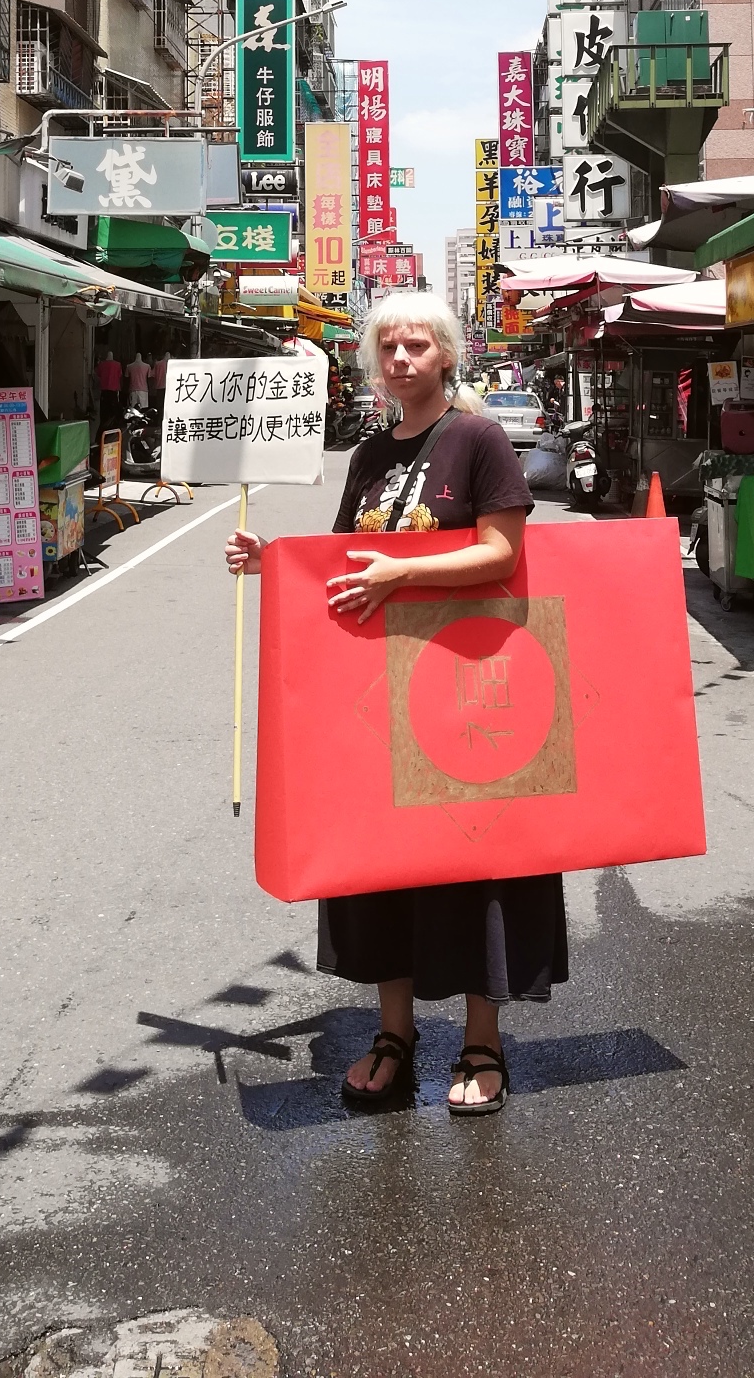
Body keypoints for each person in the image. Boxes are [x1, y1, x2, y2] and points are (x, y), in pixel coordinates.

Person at [226, 289, 562, 1116]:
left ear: (446, 355)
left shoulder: (478, 439)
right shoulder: (371, 453)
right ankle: (394, 1033)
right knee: (383, 864)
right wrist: (272, 562)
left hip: (471, 684)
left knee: (483, 864)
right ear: (374, 363)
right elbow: (347, 560)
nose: (403, 359)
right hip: (378, 689)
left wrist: (400, 571)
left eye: (418, 346)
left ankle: (483, 1040)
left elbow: (502, 553)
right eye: (390, 348)